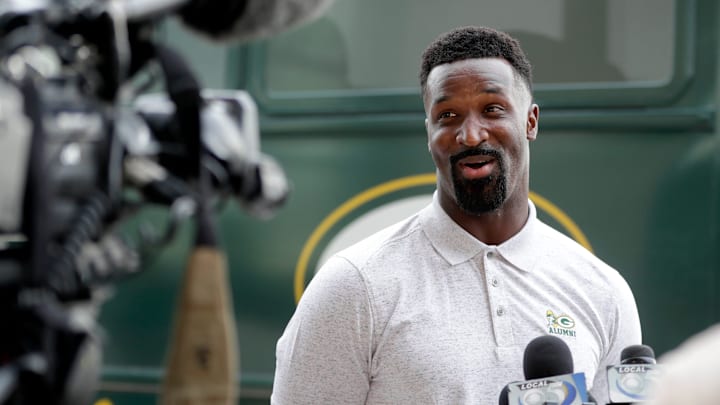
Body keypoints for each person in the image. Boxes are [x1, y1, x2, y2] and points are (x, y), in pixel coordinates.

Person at [271, 26, 642, 404]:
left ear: (531, 122)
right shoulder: (356, 285)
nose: (470, 134)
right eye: (447, 115)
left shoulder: (603, 291)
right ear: (429, 132)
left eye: (492, 109)